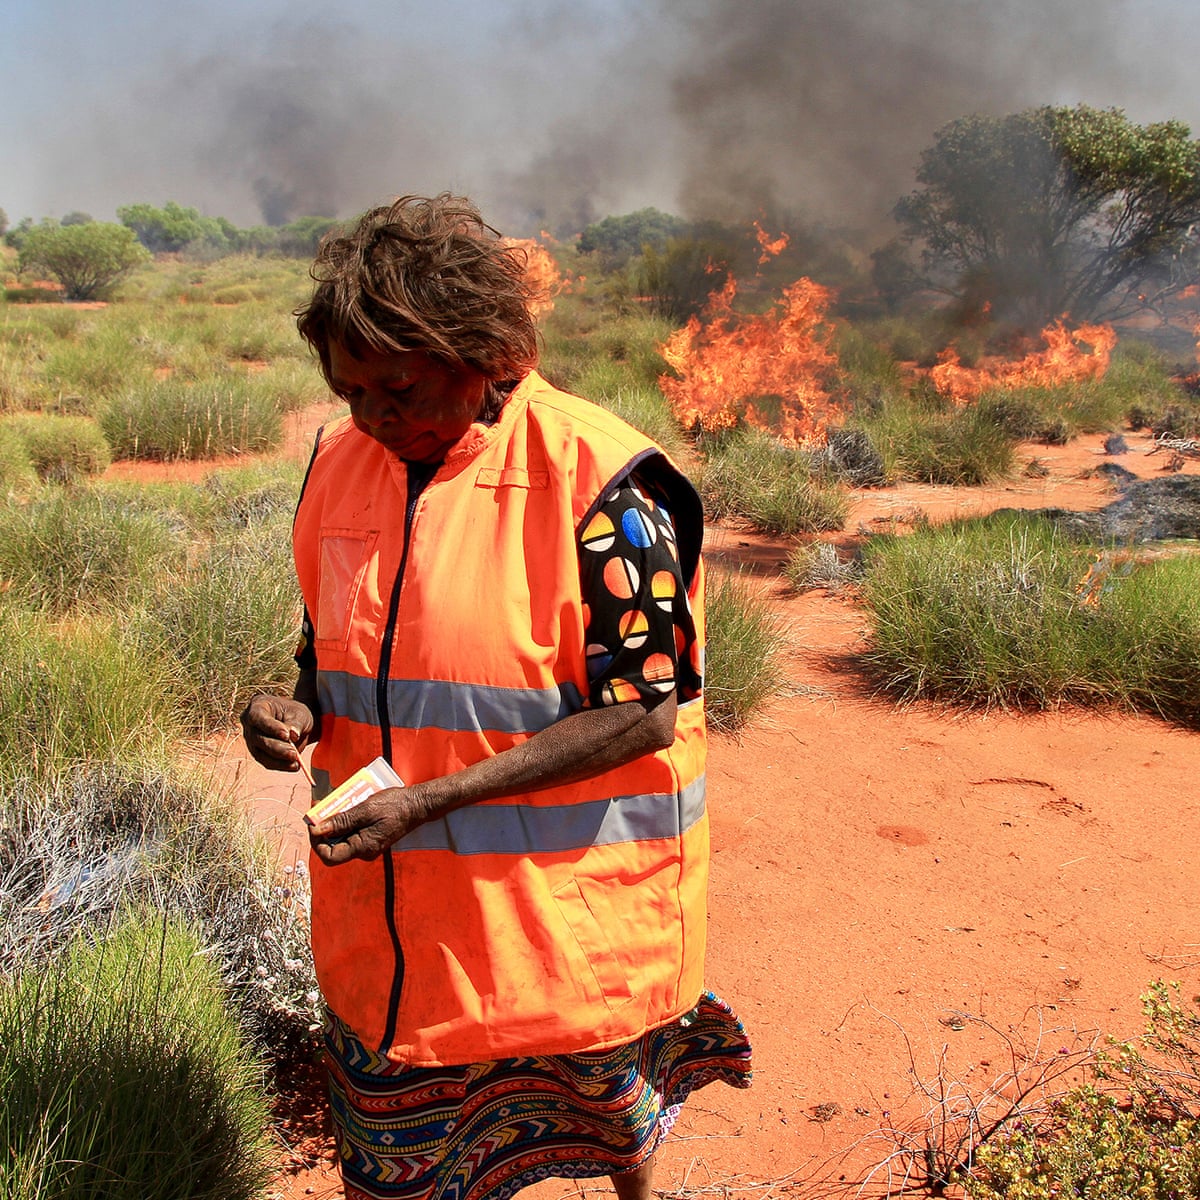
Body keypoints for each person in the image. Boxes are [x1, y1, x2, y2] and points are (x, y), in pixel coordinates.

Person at [241, 193, 751, 1200]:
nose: (378, 419)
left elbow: (646, 710)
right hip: (393, 940)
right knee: (392, 1168)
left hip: (560, 929)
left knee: (617, 1141)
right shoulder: (343, 463)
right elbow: (330, 640)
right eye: (351, 392)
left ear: (487, 353)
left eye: (401, 386)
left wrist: (428, 801)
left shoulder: (604, 482)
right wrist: (294, 704)